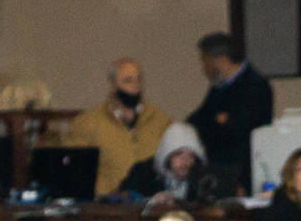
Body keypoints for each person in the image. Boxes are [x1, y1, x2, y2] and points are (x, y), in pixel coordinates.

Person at [66, 59, 172, 196]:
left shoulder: (161, 121)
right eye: (128, 80)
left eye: (138, 80)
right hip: (107, 206)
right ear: (113, 85)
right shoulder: (88, 123)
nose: (135, 86)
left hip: (151, 203)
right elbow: (77, 170)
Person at [187, 31, 273, 193]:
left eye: (205, 61)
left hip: (244, 173)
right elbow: (198, 120)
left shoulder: (255, 86)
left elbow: (238, 129)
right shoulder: (219, 88)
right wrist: (217, 121)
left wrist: (219, 123)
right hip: (220, 169)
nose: (203, 68)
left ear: (219, 60)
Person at [118, 121, 224, 206]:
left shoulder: (203, 182)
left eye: (191, 155)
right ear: (166, 155)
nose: (185, 161)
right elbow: (122, 199)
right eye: (178, 154)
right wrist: (150, 202)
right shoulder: (143, 173)